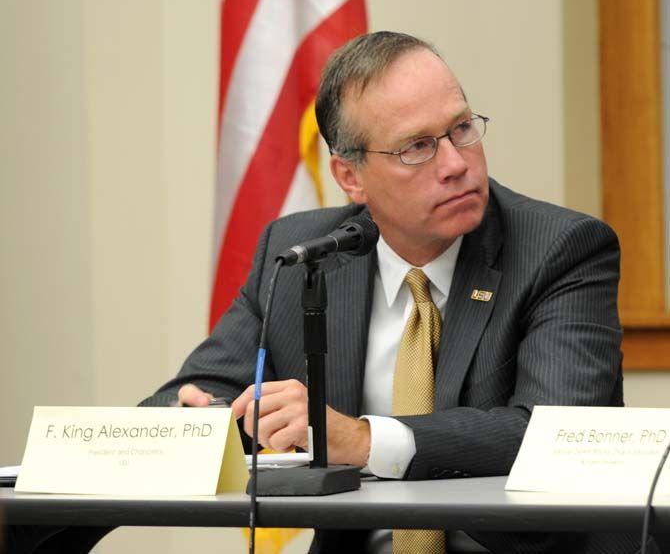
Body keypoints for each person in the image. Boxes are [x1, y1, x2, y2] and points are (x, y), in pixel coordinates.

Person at [140, 31, 659, 554]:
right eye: (417, 147)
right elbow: (187, 397)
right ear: (350, 176)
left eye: (462, 129)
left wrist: (363, 440)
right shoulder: (302, 254)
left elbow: (554, 437)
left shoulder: (561, 249)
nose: (456, 163)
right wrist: (199, 421)